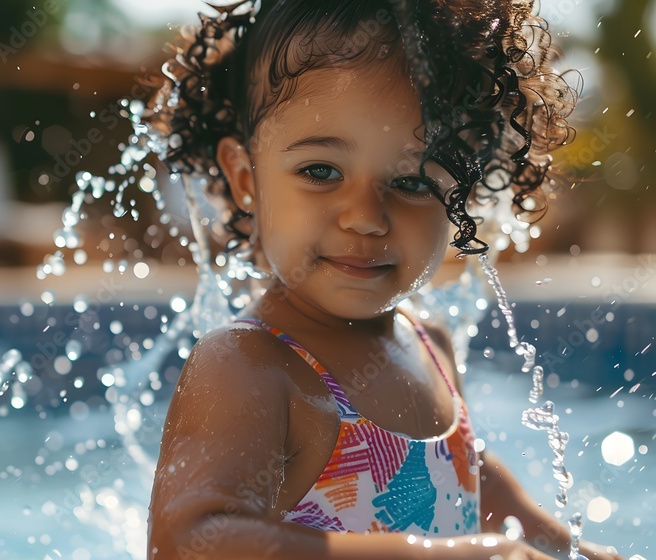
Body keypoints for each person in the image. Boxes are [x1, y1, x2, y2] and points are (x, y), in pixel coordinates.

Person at [142, 1, 626, 558]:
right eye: (321, 172)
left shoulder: (431, 347)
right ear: (246, 180)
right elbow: (186, 541)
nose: (366, 216)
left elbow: (474, 480)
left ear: (461, 197)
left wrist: (565, 545)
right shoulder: (247, 368)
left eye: (414, 181)